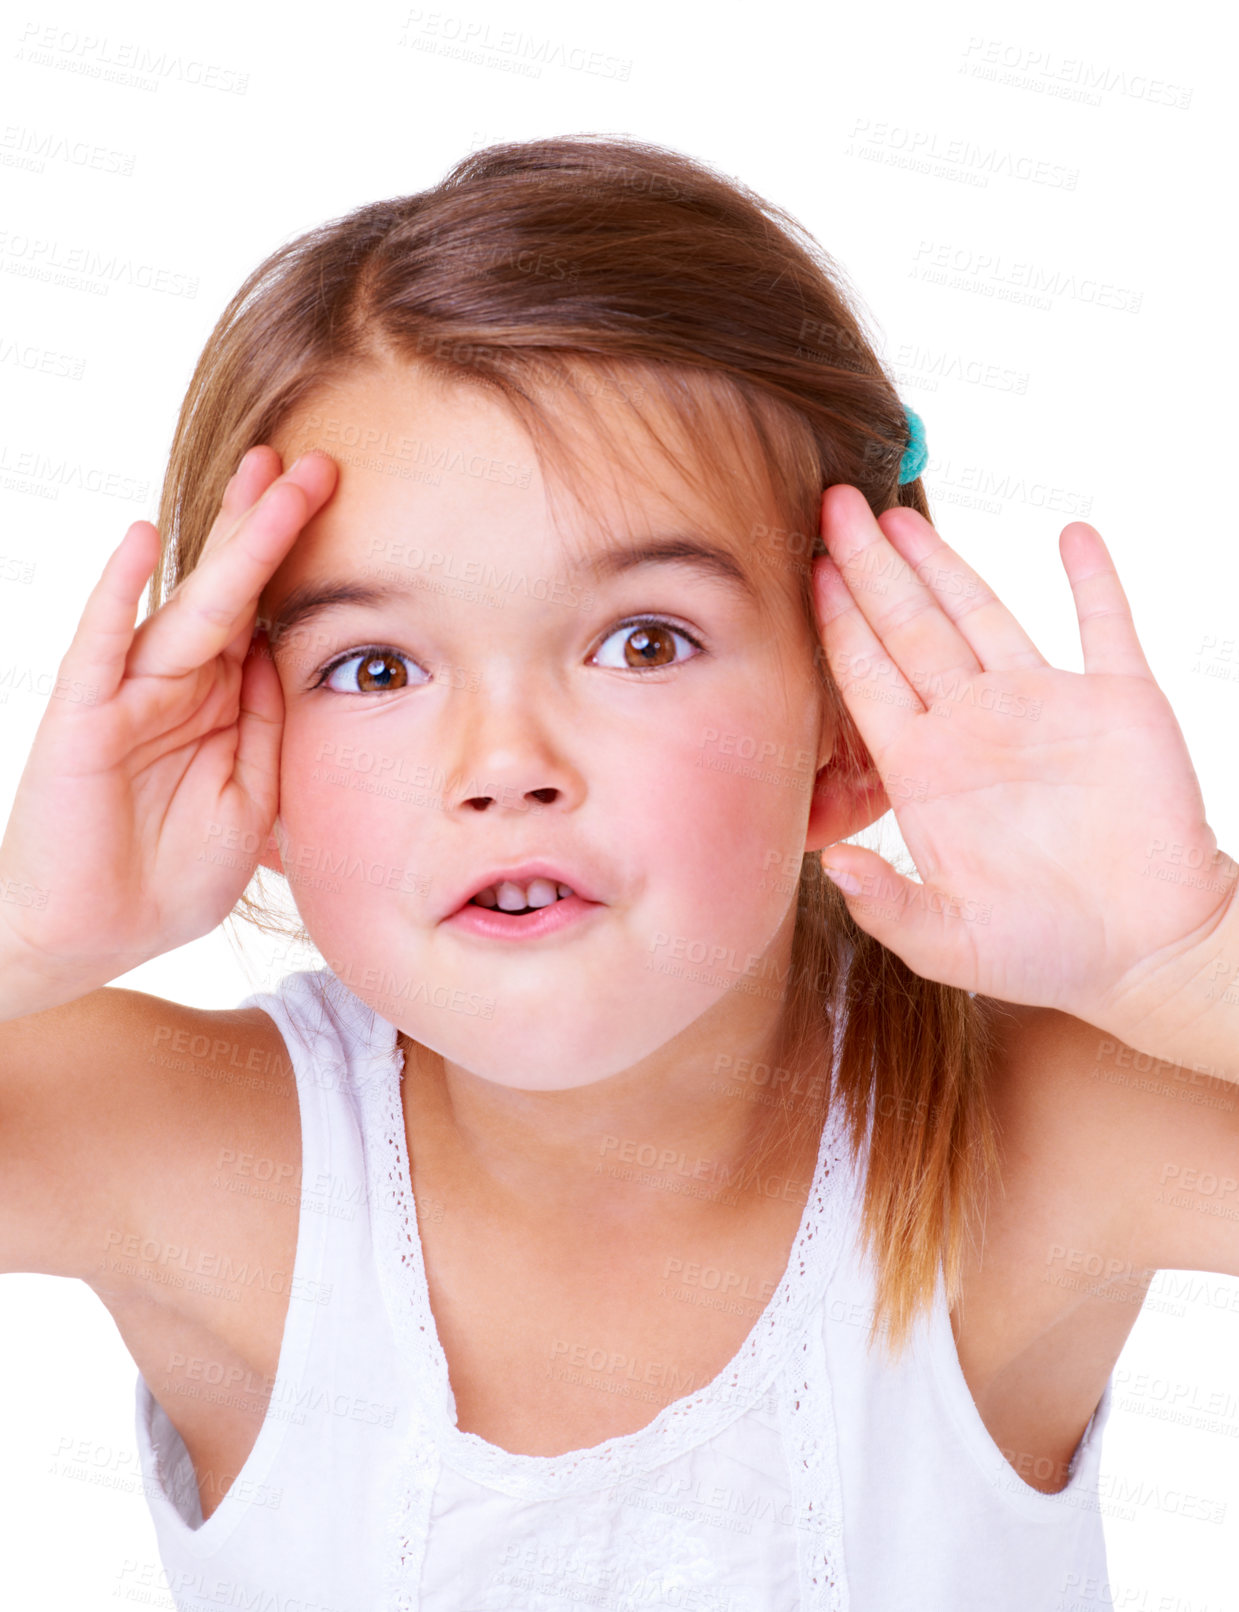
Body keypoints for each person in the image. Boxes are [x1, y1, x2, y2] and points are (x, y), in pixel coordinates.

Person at [1, 132, 1235, 1611]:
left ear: (844, 727)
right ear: (246, 751)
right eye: (375, 665)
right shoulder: (197, 1159)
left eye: (643, 642)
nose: (505, 760)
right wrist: (23, 943)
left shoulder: (1035, 1149)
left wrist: (1198, 959)